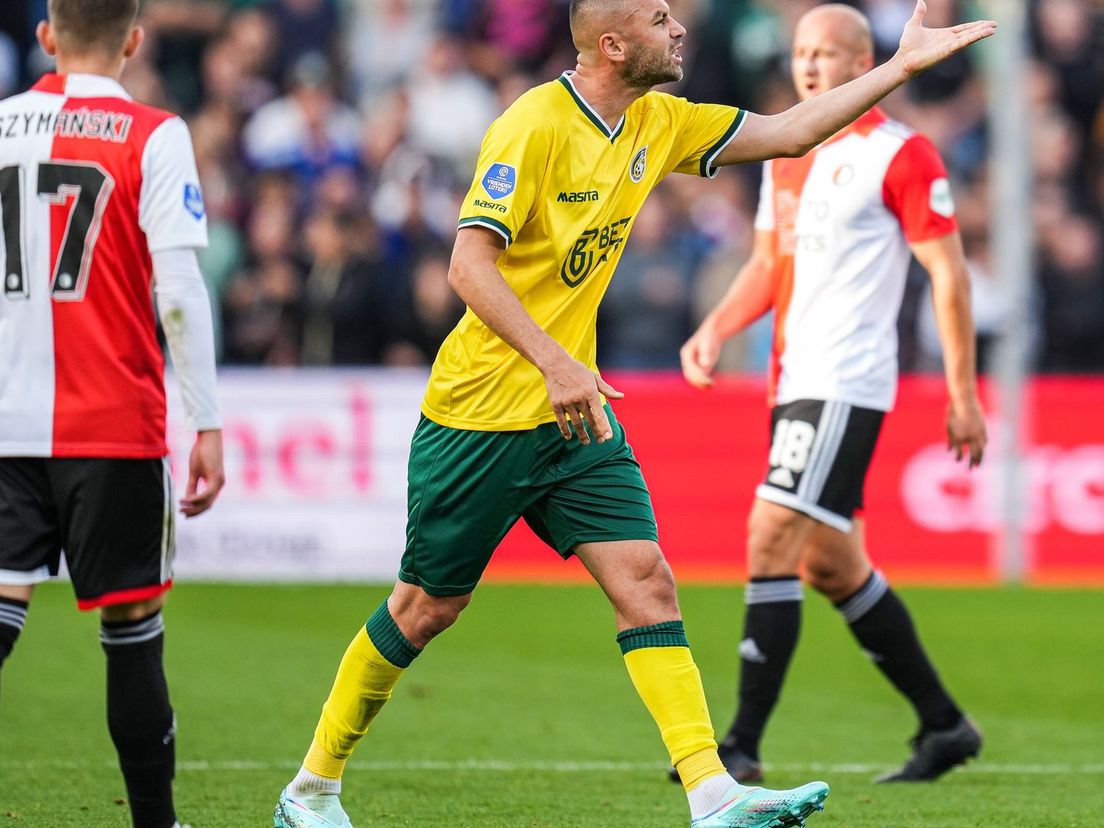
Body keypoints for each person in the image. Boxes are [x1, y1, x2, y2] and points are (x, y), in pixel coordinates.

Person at [272, 1, 995, 826]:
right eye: (659, 17)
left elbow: (792, 132)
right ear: (613, 45)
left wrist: (898, 70)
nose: (679, 27)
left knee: (648, 583)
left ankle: (714, 794)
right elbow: (468, 265)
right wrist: (554, 362)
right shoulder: (533, 124)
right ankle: (312, 788)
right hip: (482, 413)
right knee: (425, 607)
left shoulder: (659, 119)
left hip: (573, 418)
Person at [678, 3, 988, 787]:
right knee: (832, 566)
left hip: (847, 381)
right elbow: (763, 265)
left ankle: (739, 749)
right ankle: (945, 726)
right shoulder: (786, 152)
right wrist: (715, 327)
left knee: (768, 538)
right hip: (793, 381)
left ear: (862, 63)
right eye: (800, 53)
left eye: (827, 54)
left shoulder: (902, 153)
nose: (809, 66)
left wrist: (963, 391)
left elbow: (947, 276)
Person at [0, 2, 225, 827]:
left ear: (47, 36)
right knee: (131, 629)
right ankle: (156, 826)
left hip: (4, 418)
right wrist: (206, 420)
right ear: (135, 40)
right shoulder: (154, 134)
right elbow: (179, 291)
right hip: (111, 424)